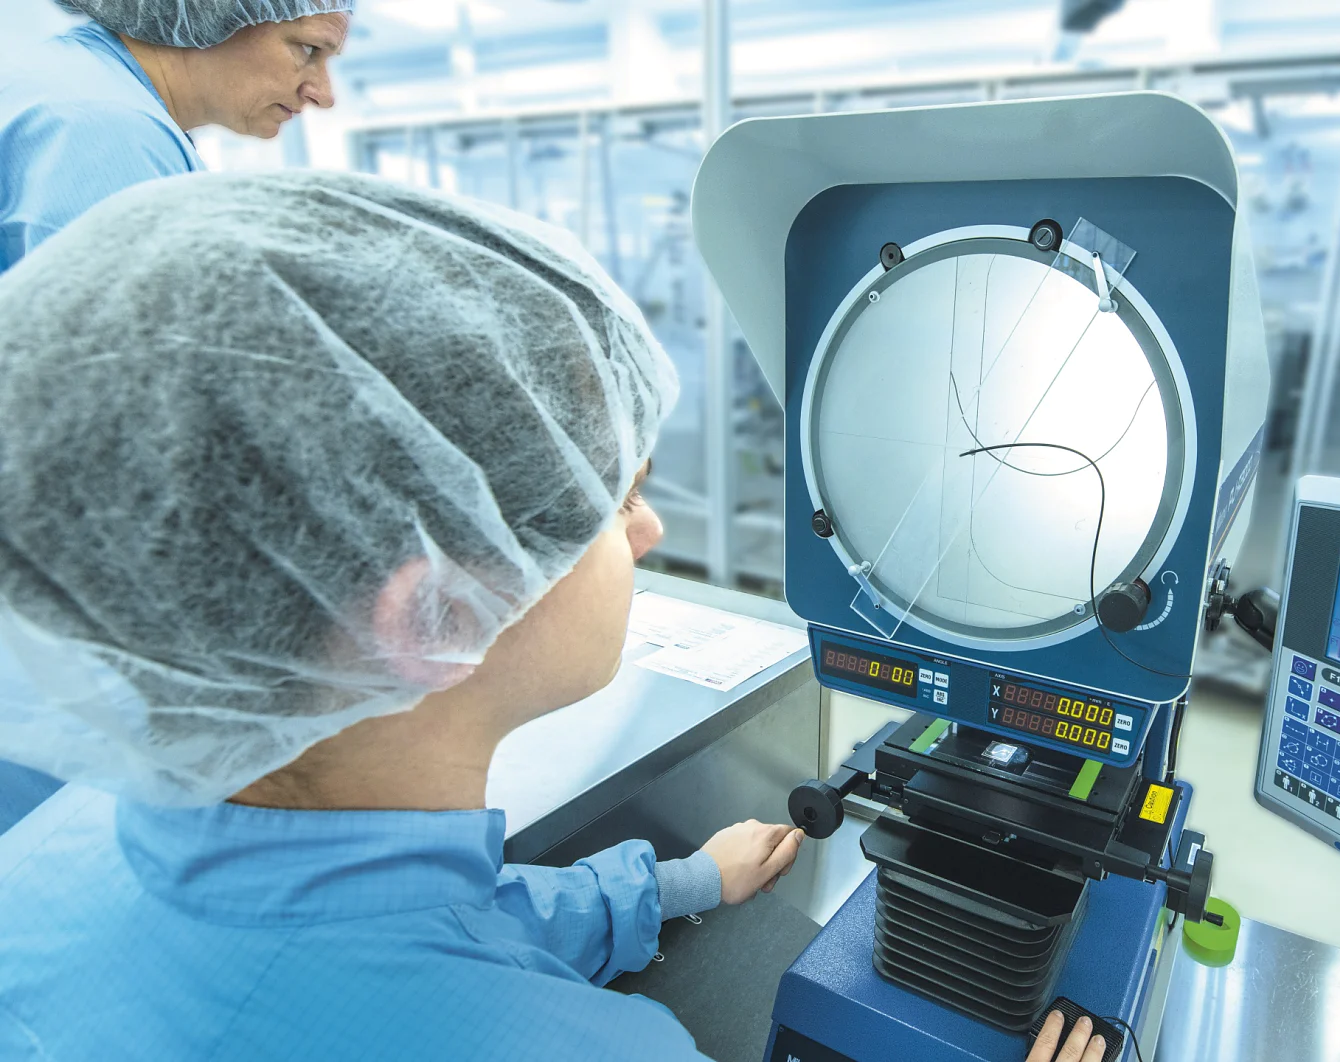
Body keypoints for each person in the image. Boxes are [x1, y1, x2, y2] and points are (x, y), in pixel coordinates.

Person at [0, 170, 1105, 1062]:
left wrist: (674, 884)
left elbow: (408, 920)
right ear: (431, 614)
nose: (647, 532)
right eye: (607, 498)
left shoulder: (55, 849)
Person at [0, 0, 352, 831]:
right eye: (305, 49)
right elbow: (127, 418)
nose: (321, 92)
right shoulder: (100, 131)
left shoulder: (65, 84)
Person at [0, 0, 350, 273]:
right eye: (308, 49)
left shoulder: (77, 79)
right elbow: (121, 352)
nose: (324, 94)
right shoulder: (107, 130)